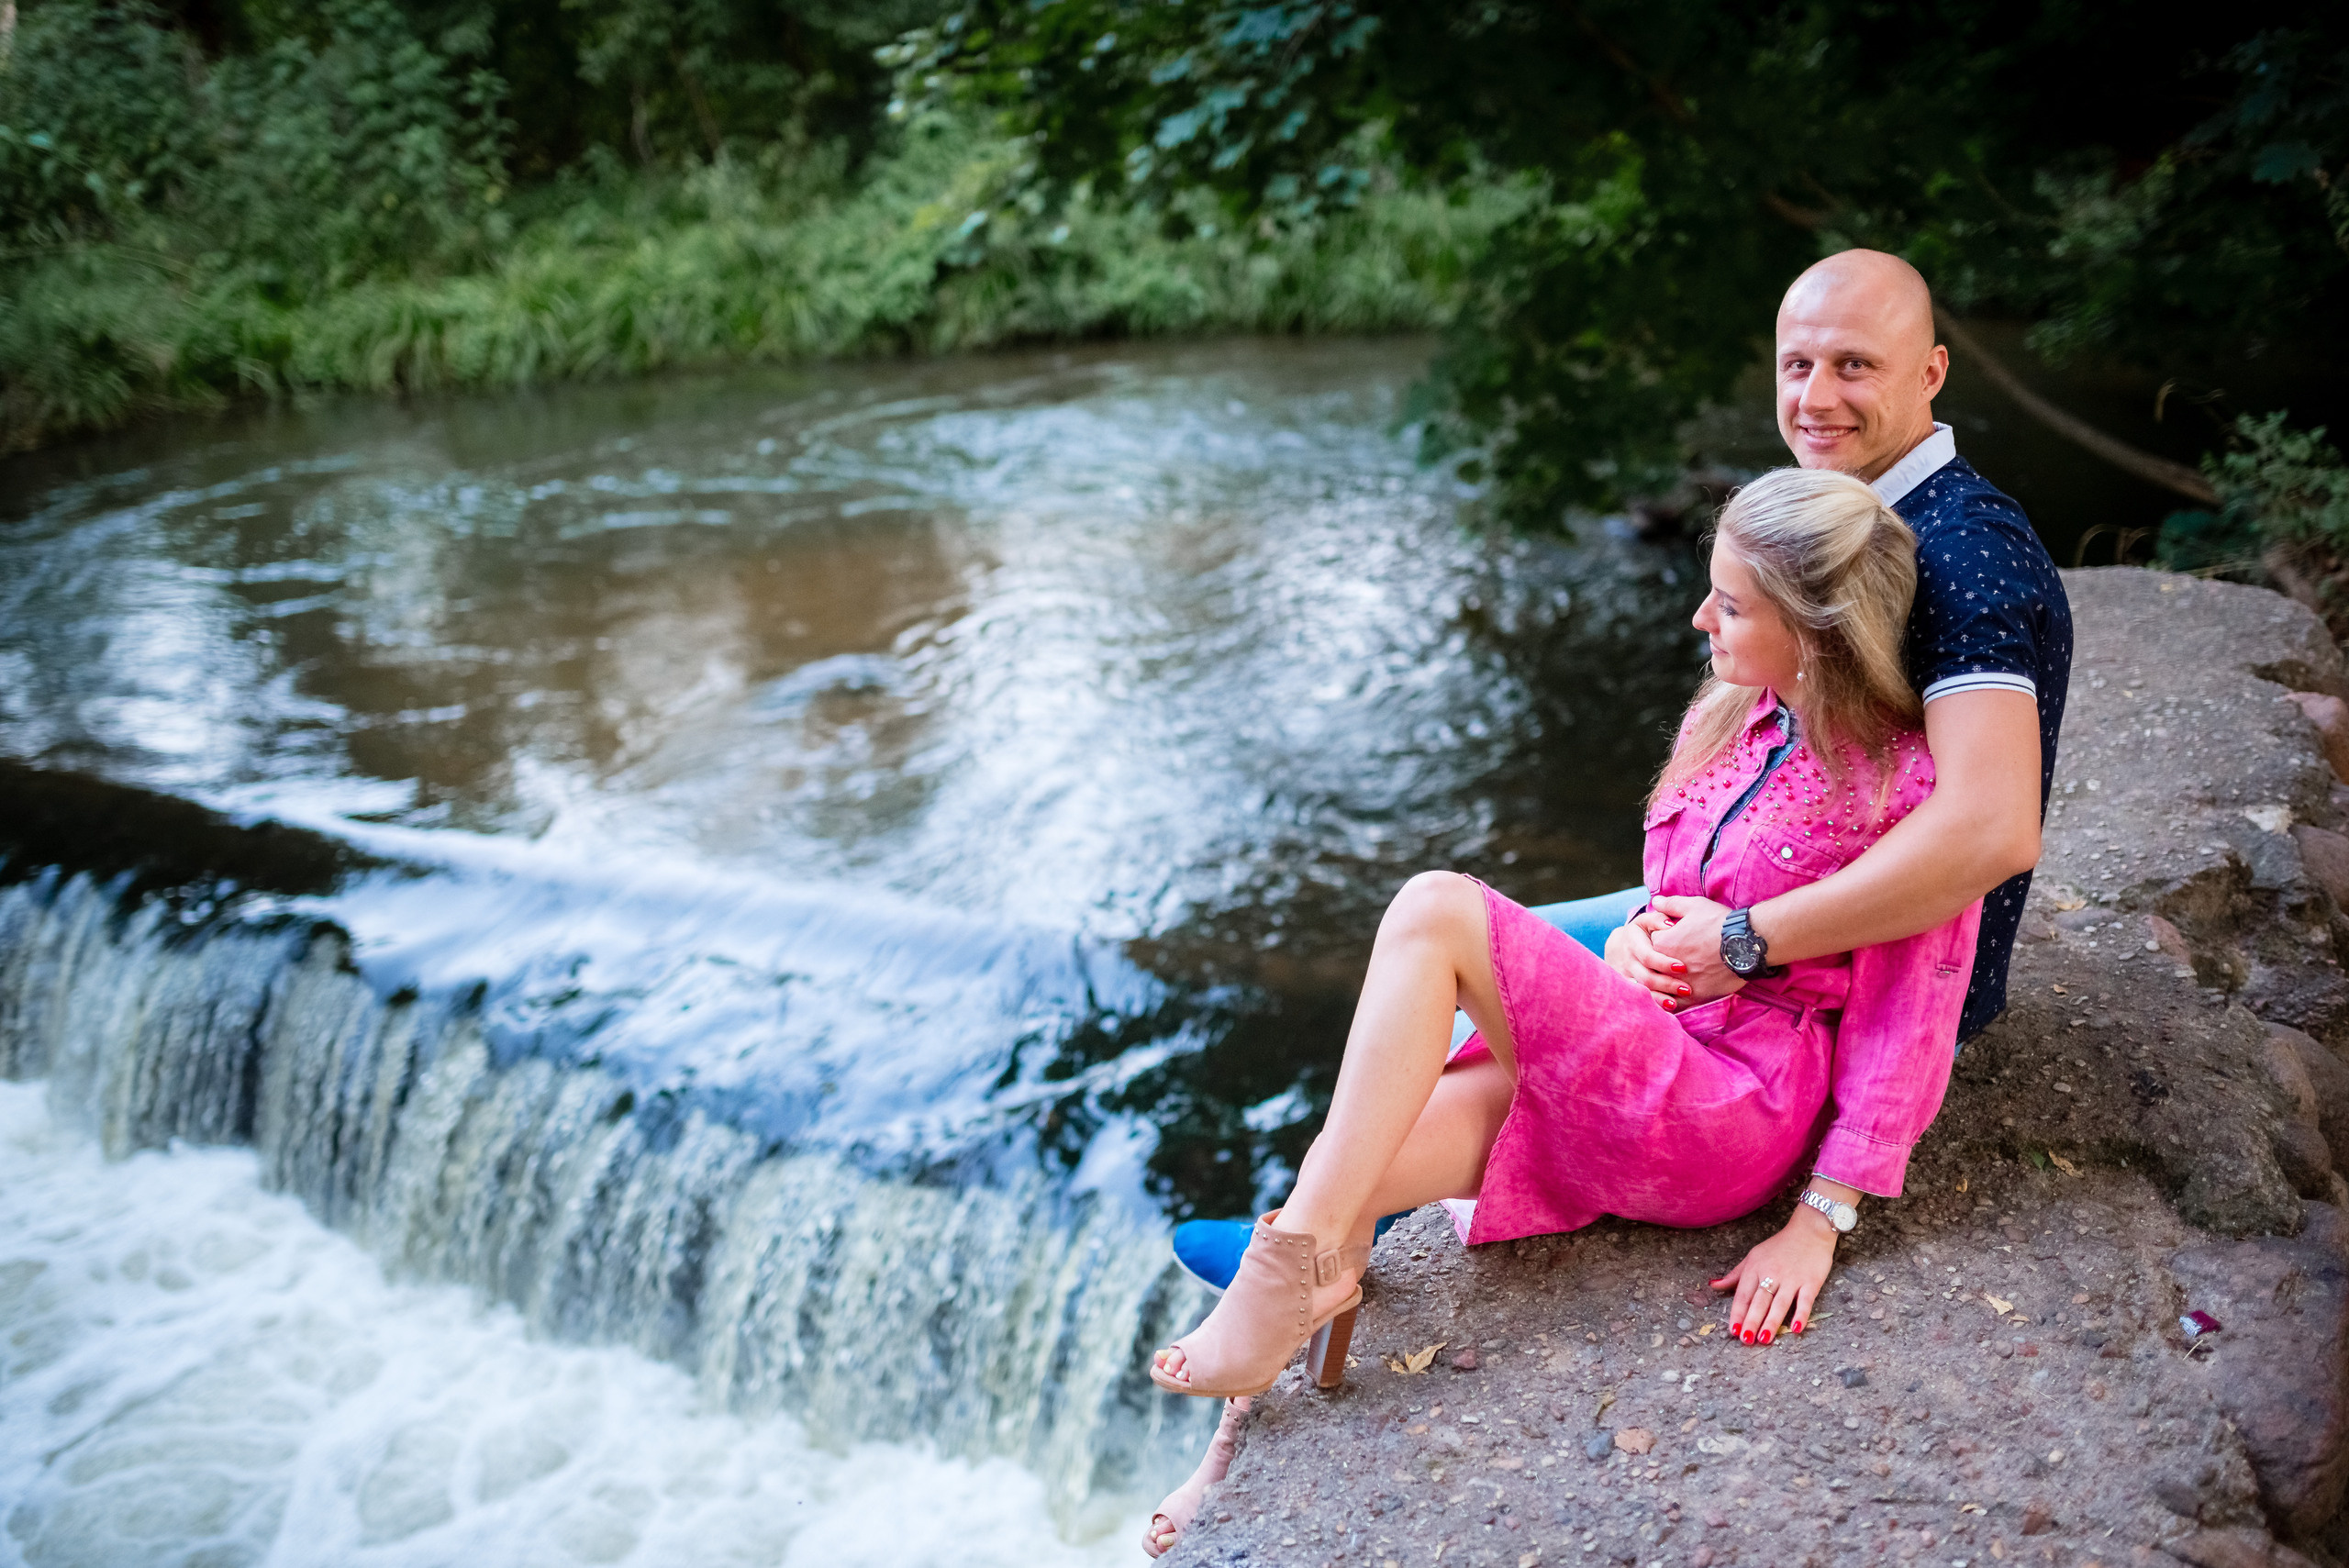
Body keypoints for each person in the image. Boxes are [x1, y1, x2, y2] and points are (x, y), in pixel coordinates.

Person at [1140, 251, 2074, 1554]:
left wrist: (1822, 1210)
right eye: (1797, 361)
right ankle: (1263, 1372)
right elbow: (1698, 860)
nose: (1814, 391)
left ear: (1929, 375)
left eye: (1853, 364)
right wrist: (1658, 933)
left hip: (1759, 1062)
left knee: (1437, 915)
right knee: (1379, 1129)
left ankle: (1289, 1269)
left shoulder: (1963, 576)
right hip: (1704, 994)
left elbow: (1977, 853)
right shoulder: (1752, 697)